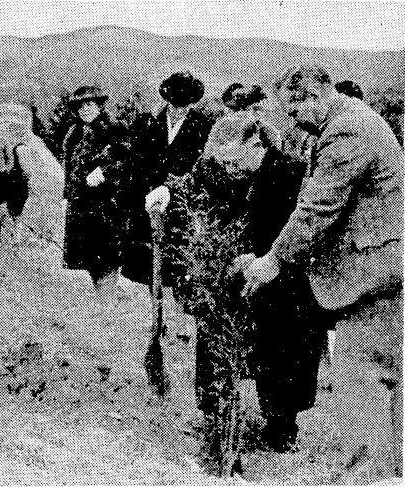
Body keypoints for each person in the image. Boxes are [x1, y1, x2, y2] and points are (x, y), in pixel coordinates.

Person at [241, 64, 403, 482]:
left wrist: (274, 260)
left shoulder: (349, 130)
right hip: (373, 272)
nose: (295, 124)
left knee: (363, 381)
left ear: (310, 98)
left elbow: (318, 207)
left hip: (373, 275)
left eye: (294, 113)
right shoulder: (344, 122)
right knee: (379, 382)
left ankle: (371, 476)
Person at [145, 111, 328, 453]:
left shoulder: (290, 171)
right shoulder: (219, 160)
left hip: (279, 269)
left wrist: (268, 260)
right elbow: (195, 179)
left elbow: (306, 222)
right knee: (216, 339)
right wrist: (167, 191)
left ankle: (280, 425)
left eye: (233, 161)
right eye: (222, 161)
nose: (227, 168)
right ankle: (216, 416)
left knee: (282, 350)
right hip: (230, 264)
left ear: (256, 146)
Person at [122, 71, 214, 287]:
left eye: (185, 103)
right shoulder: (147, 123)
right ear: (167, 98)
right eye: (175, 102)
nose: (179, 109)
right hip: (145, 205)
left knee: (178, 272)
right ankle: (156, 316)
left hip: (181, 207)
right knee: (148, 271)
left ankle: (173, 316)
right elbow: (133, 164)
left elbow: (201, 170)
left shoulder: (203, 127)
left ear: (193, 101)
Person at [61, 85, 128, 293]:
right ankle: (101, 301)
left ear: (99, 106)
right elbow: (69, 168)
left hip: (106, 205)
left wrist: (105, 172)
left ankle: (107, 299)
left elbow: (126, 159)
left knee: (107, 257)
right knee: (86, 259)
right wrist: (66, 196)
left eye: (90, 104)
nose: (85, 109)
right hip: (80, 206)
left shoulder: (114, 128)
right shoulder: (73, 133)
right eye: (81, 106)